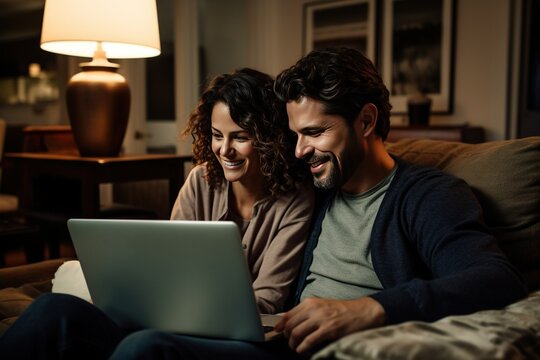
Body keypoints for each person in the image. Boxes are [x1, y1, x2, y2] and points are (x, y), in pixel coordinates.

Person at [0, 68, 314, 359]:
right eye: (218, 135)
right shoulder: (202, 179)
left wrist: (182, 306)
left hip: (240, 340)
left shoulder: (296, 199)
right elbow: (168, 266)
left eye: (240, 137)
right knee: (53, 308)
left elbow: (267, 299)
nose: (224, 150)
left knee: (145, 344)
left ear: (269, 140)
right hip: (170, 320)